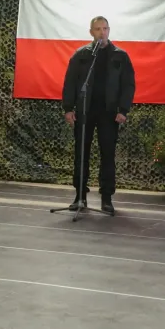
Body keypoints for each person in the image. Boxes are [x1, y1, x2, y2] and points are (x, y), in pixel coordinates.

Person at [62, 16, 135, 213]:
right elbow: (70, 82)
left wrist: (123, 110)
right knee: (81, 154)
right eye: (98, 29)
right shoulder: (82, 55)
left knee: (108, 154)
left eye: (105, 29)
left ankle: (106, 198)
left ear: (109, 30)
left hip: (109, 113)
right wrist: (68, 108)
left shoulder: (120, 56)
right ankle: (80, 196)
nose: (102, 32)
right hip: (85, 111)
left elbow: (128, 85)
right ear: (91, 32)